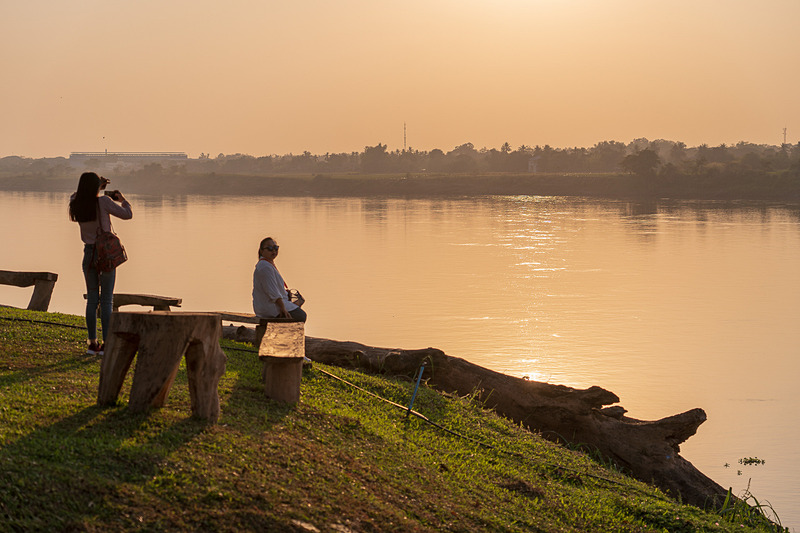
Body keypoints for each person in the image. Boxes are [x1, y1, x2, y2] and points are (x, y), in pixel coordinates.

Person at [69, 172, 133, 355]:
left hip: (88, 253)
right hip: (106, 255)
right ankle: (107, 344)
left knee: (92, 300)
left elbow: (78, 194)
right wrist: (122, 199)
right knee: (106, 301)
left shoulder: (76, 202)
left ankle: (92, 344)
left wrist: (97, 187)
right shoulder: (104, 202)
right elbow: (127, 215)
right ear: (98, 186)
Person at [252, 237, 307, 322]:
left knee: (298, 310)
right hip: (270, 308)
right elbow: (272, 292)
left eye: (275, 248)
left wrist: (285, 293)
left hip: (266, 306)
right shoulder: (265, 267)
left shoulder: (267, 264)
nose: (273, 251)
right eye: (270, 248)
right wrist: (283, 308)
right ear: (262, 251)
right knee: (301, 316)